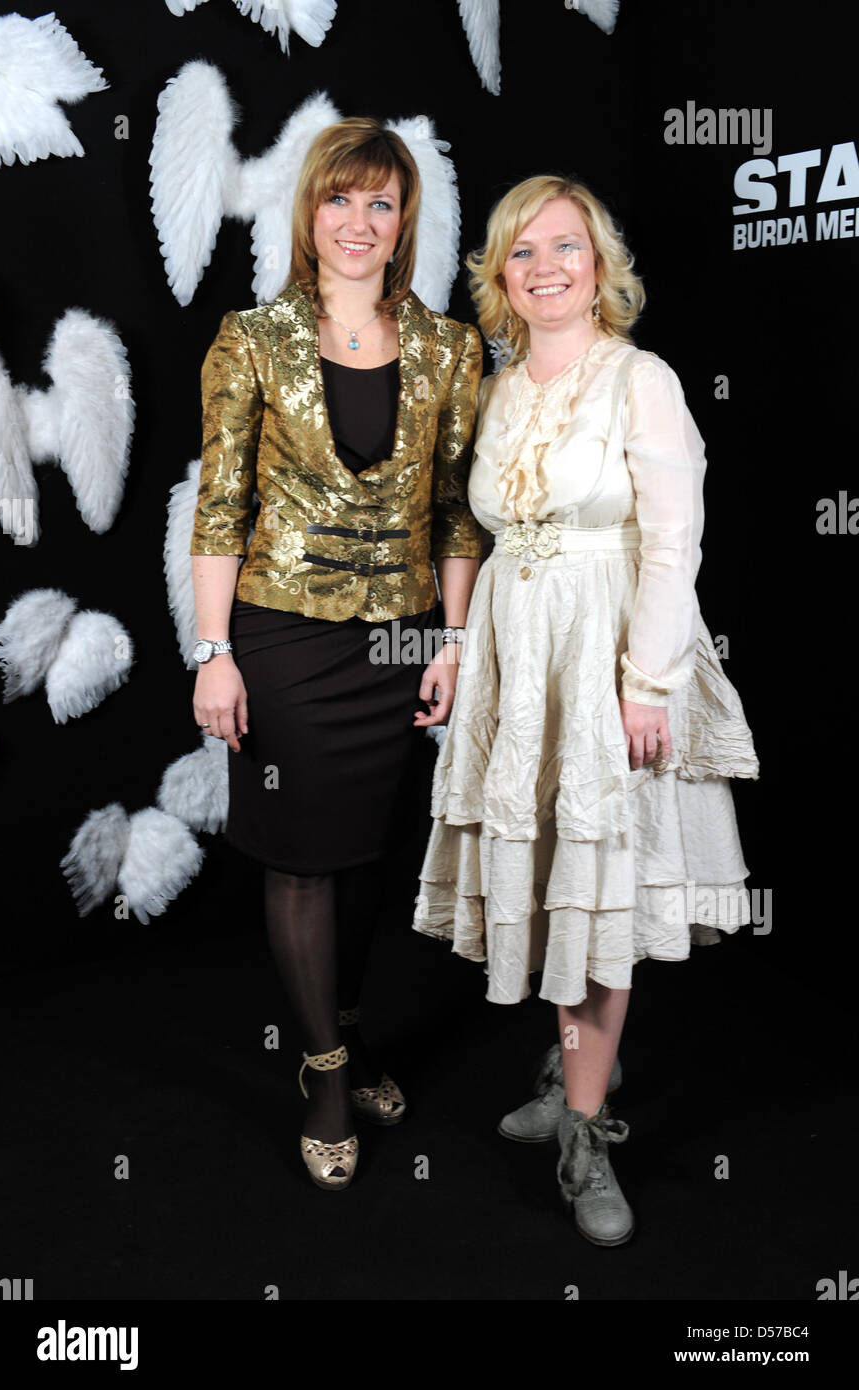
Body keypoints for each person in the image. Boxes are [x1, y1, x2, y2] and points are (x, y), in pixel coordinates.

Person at [413, 174, 759, 1245]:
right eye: (522, 252)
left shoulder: (638, 378)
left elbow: (671, 539)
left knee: (600, 872)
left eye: (565, 247)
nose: (545, 268)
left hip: (610, 646)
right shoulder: (499, 382)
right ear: (499, 276)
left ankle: (582, 1122)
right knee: (556, 859)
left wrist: (644, 681)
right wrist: (459, 644)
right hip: (520, 652)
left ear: (598, 264)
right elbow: (473, 531)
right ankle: (570, 1068)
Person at [189, 117, 483, 1191]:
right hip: (282, 632)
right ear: (308, 212)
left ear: (402, 222)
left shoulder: (451, 349)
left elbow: (456, 512)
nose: (357, 223)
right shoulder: (253, 338)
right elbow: (222, 503)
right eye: (338, 200)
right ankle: (321, 1071)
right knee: (302, 856)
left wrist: (448, 641)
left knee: (366, 852)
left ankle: (348, 1035)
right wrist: (213, 651)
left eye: (381, 204)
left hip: (401, 636)